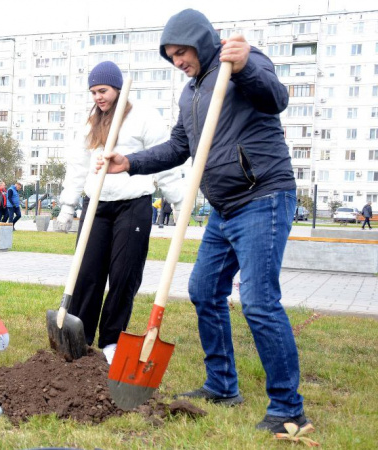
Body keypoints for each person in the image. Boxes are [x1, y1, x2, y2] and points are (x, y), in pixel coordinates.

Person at [96, 9, 309, 435]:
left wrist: (246, 65)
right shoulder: (190, 93)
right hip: (224, 206)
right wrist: (131, 161)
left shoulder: (242, 63)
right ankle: (222, 385)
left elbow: (277, 98)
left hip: (263, 195)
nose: (178, 61)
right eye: (171, 56)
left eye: (182, 52)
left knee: (259, 301)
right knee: (203, 290)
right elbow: (179, 145)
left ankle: (288, 409)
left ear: (202, 41)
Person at [55, 60, 185, 364]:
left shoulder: (143, 117)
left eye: (103, 90)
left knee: (124, 275)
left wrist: (178, 202)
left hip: (133, 205)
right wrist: (67, 206)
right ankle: (81, 336)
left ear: (117, 87)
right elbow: (77, 168)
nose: (98, 97)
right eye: (93, 92)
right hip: (96, 206)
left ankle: (112, 339)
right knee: (87, 274)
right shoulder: (90, 124)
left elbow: (163, 159)